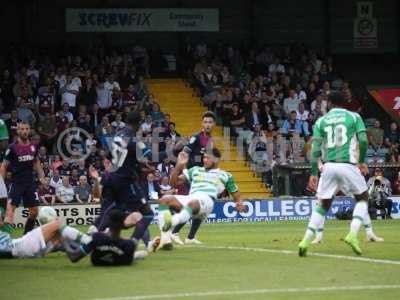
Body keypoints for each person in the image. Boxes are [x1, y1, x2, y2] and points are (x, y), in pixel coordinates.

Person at [299, 91, 378, 257]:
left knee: (323, 205)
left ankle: (306, 240)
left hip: (328, 167)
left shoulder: (321, 121)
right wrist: (362, 161)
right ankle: (352, 234)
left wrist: (314, 173)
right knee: (362, 199)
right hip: (348, 165)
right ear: (345, 102)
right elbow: (363, 141)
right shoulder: (354, 117)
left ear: (329, 103)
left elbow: (315, 150)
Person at [157, 148, 245, 249]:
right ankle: (165, 240)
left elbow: (237, 195)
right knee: (164, 199)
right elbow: (173, 184)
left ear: (216, 160)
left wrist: (239, 203)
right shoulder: (195, 170)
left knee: (193, 203)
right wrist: (178, 166)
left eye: (208, 158)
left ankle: (171, 222)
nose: (205, 160)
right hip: (191, 197)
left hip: (207, 200)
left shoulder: (225, 175)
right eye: (204, 157)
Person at [170, 111, 216, 245]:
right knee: (196, 206)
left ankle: (190, 237)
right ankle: (175, 232)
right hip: (193, 175)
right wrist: (184, 169)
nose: (207, 124)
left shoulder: (210, 140)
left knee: (201, 208)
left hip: (203, 175)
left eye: (210, 122)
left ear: (213, 124)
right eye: (205, 122)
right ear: (202, 123)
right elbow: (184, 152)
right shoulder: (196, 137)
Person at [66, 209, 156, 266]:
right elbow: (130, 261)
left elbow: (73, 257)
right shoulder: (129, 245)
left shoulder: (97, 238)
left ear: (108, 222)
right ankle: (144, 247)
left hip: (98, 260)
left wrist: (61, 240)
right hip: (124, 253)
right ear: (123, 225)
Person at [0, 122, 45, 234]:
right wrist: (1, 181)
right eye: (22, 129)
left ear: (29, 130)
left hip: (30, 184)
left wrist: (41, 177)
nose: (24, 131)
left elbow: (36, 163)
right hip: (17, 184)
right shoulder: (12, 148)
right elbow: (4, 165)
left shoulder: (33, 147)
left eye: (26, 129)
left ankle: (26, 235)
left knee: (34, 212)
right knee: (10, 211)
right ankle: (5, 240)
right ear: (18, 131)